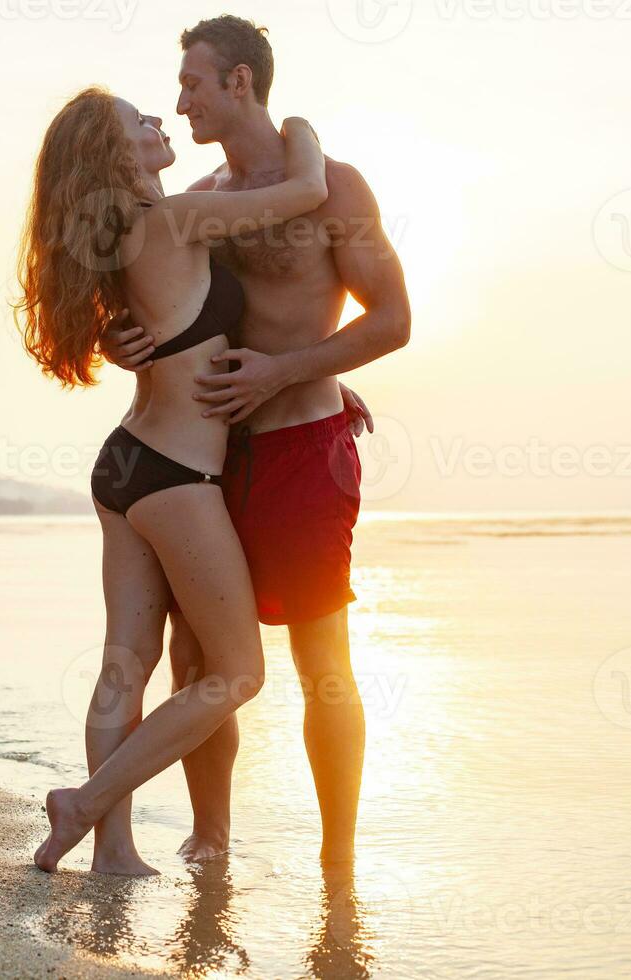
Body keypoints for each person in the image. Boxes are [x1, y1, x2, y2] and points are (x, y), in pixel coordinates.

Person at [101, 16, 412, 866]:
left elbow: (394, 320)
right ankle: (211, 842)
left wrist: (293, 374)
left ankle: (337, 867)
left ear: (239, 83)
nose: (180, 101)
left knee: (322, 659)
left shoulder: (335, 186)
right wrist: (116, 340)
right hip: (214, 459)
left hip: (305, 448)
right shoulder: (202, 196)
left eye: (193, 84)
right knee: (200, 656)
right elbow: (163, 309)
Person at [15, 86, 329, 874]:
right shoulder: (177, 216)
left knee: (126, 661)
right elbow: (307, 191)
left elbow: (183, 329)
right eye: (139, 121)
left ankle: (112, 854)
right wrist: (300, 128)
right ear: (114, 153)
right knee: (237, 673)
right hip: (177, 475)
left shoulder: (118, 234)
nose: (158, 121)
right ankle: (84, 806)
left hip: (124, 463)